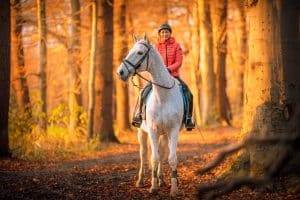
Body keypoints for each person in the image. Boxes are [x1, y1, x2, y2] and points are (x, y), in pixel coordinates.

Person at [132, 23, 195, 131]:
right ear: (160, 35)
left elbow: (179, 62)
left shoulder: (176, 46)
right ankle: (139, 115)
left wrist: (169, 69)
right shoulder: (156, 47)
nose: (165, 34)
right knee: (143, 92)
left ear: (170, 34)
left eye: (166, 32)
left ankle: (188, 119)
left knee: (189, 94)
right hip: (157, 78)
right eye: (162, 32)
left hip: (173, 76)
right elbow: (152, 62)